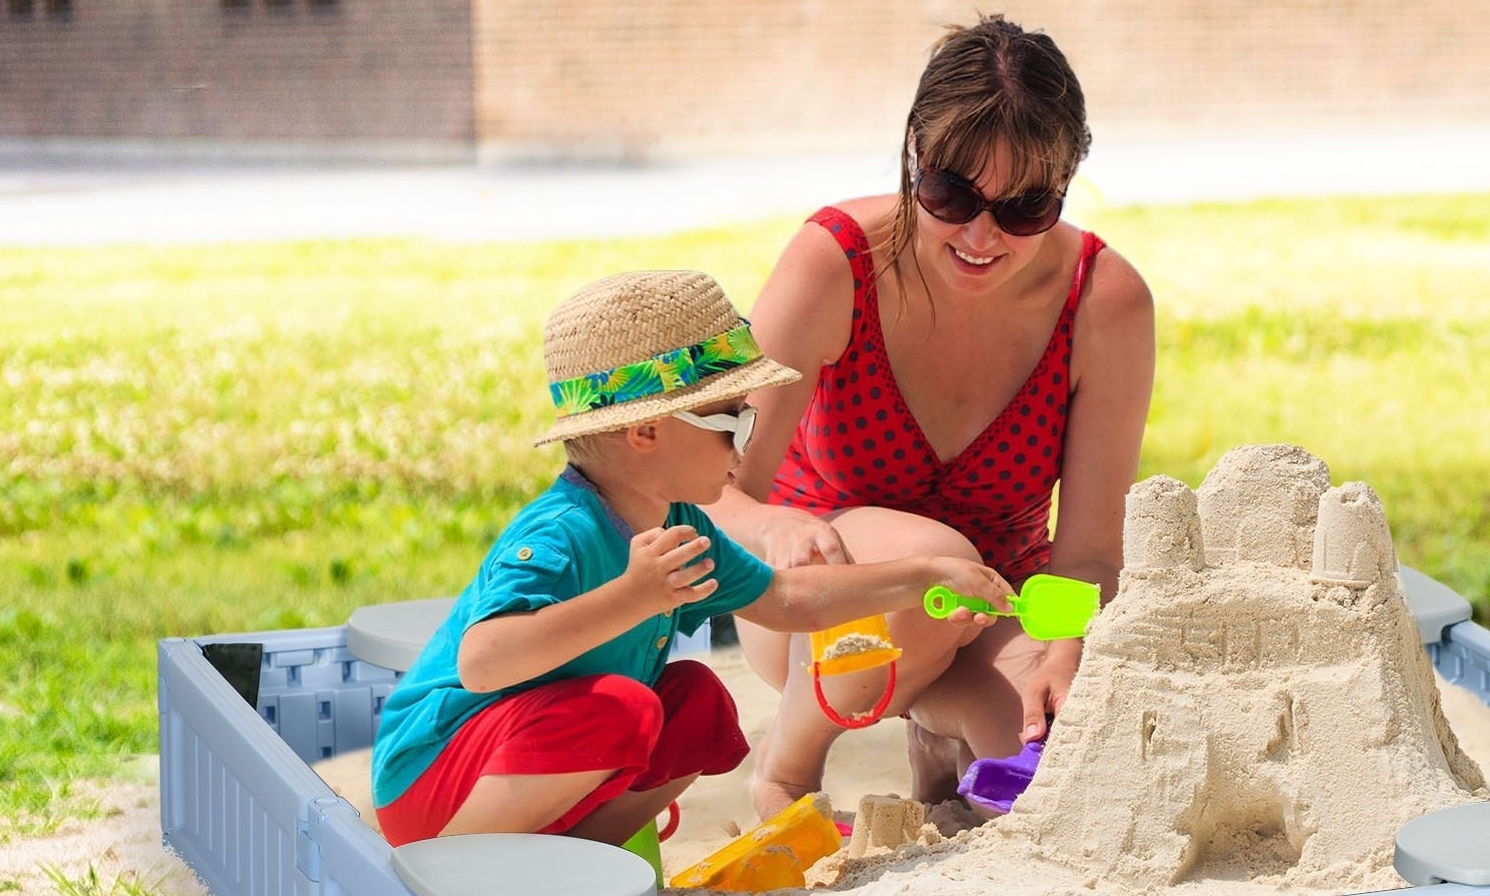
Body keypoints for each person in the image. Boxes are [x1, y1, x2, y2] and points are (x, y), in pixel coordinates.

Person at [370, 269, 1010, 848]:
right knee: (626, 709)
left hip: (525, 763)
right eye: (731, 424)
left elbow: (786, 600)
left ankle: (586, 857)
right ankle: (464, 867)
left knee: (697, 704)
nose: (746, 446)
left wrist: (923, 576)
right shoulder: (561, 533)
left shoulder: (679, 524)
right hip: (438, 779)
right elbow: (483, 664)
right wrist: (633, 596)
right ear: (646, 433)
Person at [715, 17, 1156, 816]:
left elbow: (1088, 552)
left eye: (1025, 208)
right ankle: (787, 769)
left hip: (991, 597)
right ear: (914, 153)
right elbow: (714, 492)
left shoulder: (1105, 302)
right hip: (816, 615)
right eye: (951, 194)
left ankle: (939, 722)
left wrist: (1062, 646)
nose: (982, 235)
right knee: (930, 568)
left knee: (1050, 765)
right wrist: (776, 529)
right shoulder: (836, 262)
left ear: (1068, 181)